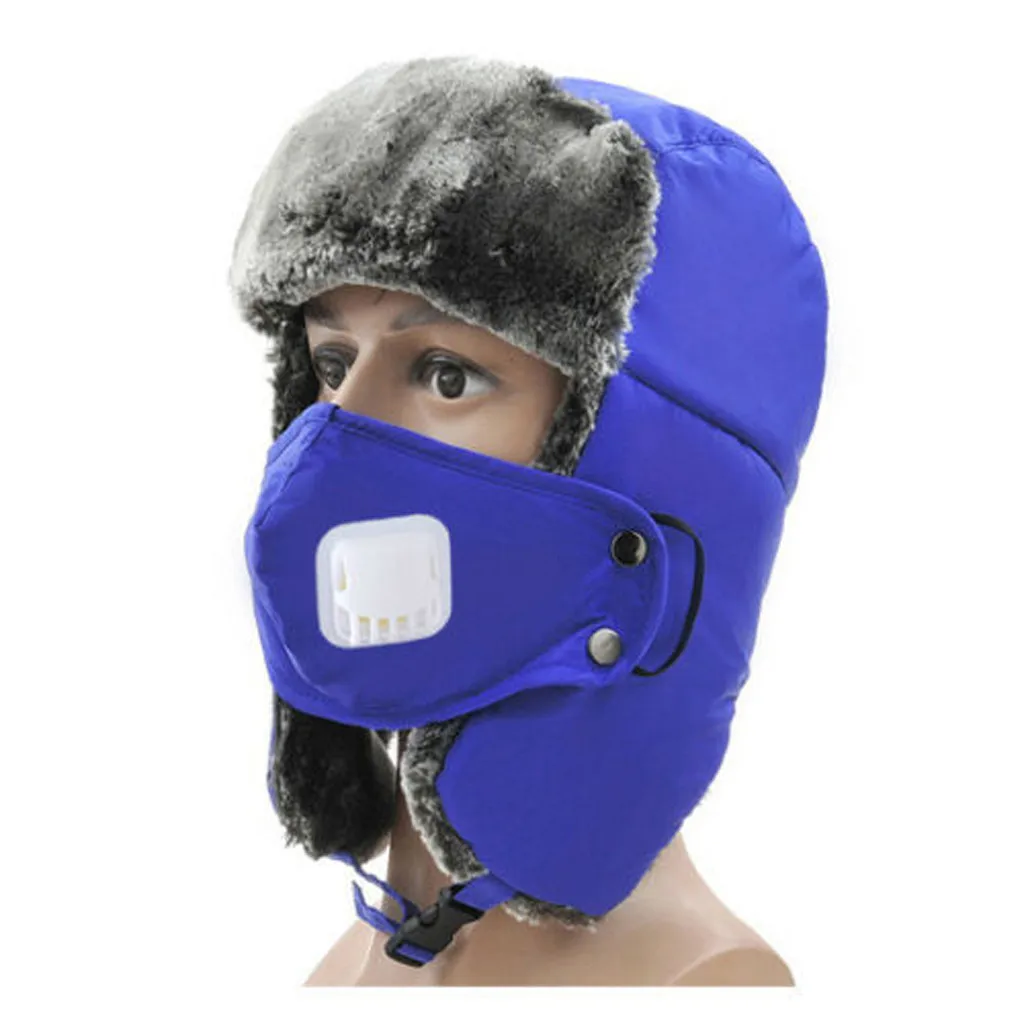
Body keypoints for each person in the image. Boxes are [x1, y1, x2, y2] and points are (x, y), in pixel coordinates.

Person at [230, 56, 827, 987]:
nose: (338, 437)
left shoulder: (704, 984)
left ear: (647, 462)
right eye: (333, 364)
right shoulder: (342, 974)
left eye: (446, 375)